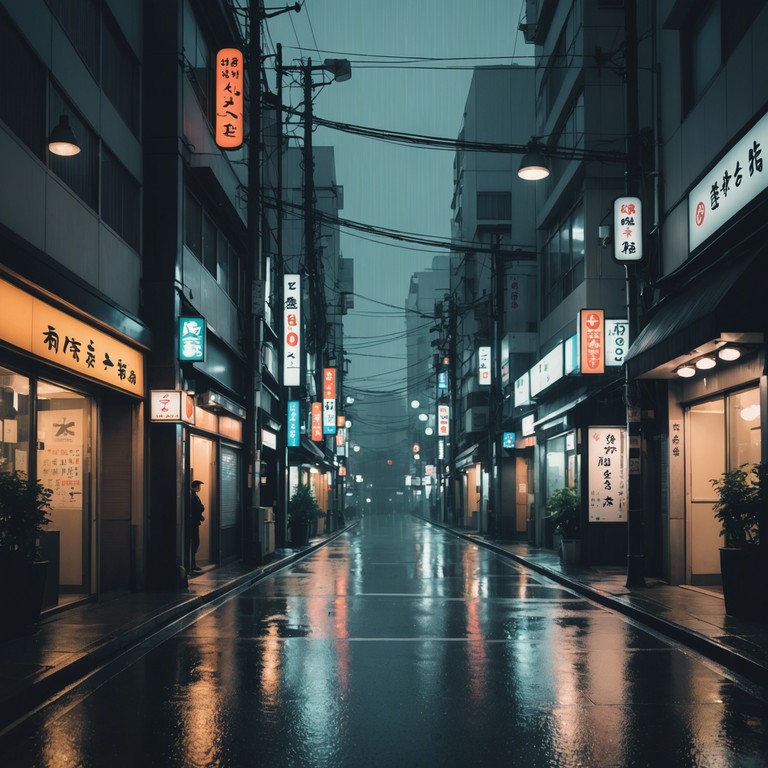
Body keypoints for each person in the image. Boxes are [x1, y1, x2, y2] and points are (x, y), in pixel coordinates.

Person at [190, 480, 205, 572]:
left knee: (195, 542)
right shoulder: (194, 497)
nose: (199, 488)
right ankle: (192, 564)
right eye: (199, 486)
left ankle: (193, 563)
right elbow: (199, 508)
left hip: (194, 522)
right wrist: (200, 516)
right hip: (194, 523)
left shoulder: (192, 496)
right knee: (195, 542)